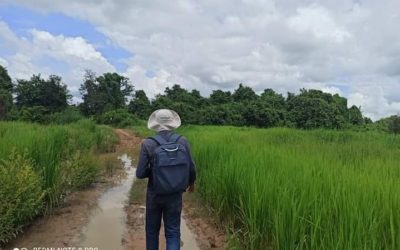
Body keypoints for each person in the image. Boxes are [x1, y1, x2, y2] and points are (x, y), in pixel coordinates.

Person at [136, 109, 196, 250]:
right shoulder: (183, 141)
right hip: (175, 194)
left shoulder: (148, 144)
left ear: (155, 124)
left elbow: (140, 173)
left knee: (152, 231)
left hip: (154, 194)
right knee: (173, 232)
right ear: (172, 123)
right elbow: (191, 167)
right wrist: (191, 183)